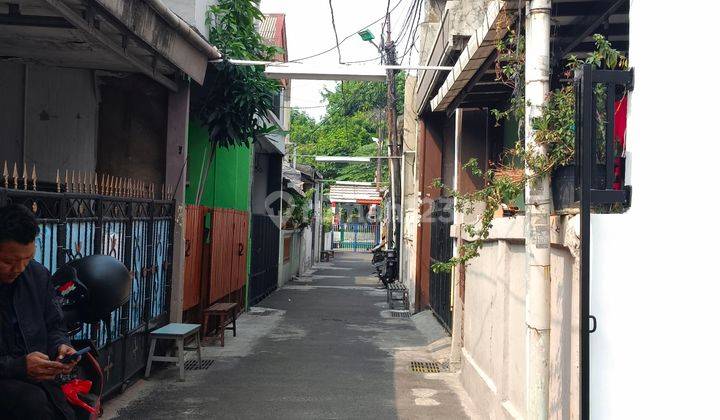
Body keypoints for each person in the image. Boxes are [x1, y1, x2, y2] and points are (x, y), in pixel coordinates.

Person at [0, 204, 78, 419]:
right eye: (8, 261)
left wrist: (62, 347)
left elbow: (54, 325)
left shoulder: (38, 276)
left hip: (41, 387)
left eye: (27, 259)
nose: (19, 269)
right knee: (32, 402)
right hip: (15, 392)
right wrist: (18, 367)